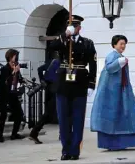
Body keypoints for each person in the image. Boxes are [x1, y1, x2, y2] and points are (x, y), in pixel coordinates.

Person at [48, 15, 97, 161]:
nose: (72, 28)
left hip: (80, 82)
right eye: (70, 26)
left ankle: (75, 150)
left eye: (75, 26)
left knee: (78, 119)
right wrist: (65, 35)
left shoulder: (87, 43)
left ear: (79, 28)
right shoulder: (63, 41)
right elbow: (52, 47)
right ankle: (65, 150)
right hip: (63, 83)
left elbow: (93, 64)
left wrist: (91, 84)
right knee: (64, 118)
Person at [91, 35, 135, 150]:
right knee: (114, 115)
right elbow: (109, 68)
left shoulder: (120, 56)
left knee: (126, 114)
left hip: (121, 90)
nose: (123, 46)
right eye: (121, 44)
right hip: (112, 92)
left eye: (124, 44)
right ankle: (112, 143)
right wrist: (120, 62)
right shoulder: (112, 55)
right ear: (114, 44)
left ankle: (122, 143)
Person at [29, 51, 61, 144]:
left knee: (49, 112)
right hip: (56, 89)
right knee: (53, 112)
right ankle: (34, 132)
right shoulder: (62, 63)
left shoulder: (51, 62)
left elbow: (39, 69)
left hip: (48, 89)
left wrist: (42, 80)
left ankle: (35, 133)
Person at [0, 49, 26, 142]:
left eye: (16, 56)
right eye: (14, 56)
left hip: (13, 94)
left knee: (19, 114)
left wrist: (22, 80)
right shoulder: (5, 69)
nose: (16, 58)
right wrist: (14, 72)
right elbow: (3, 82)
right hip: (4, 94)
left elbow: (19, 79)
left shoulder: (16, 67)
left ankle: (14, 134)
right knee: (3, 115)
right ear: (10, 57)